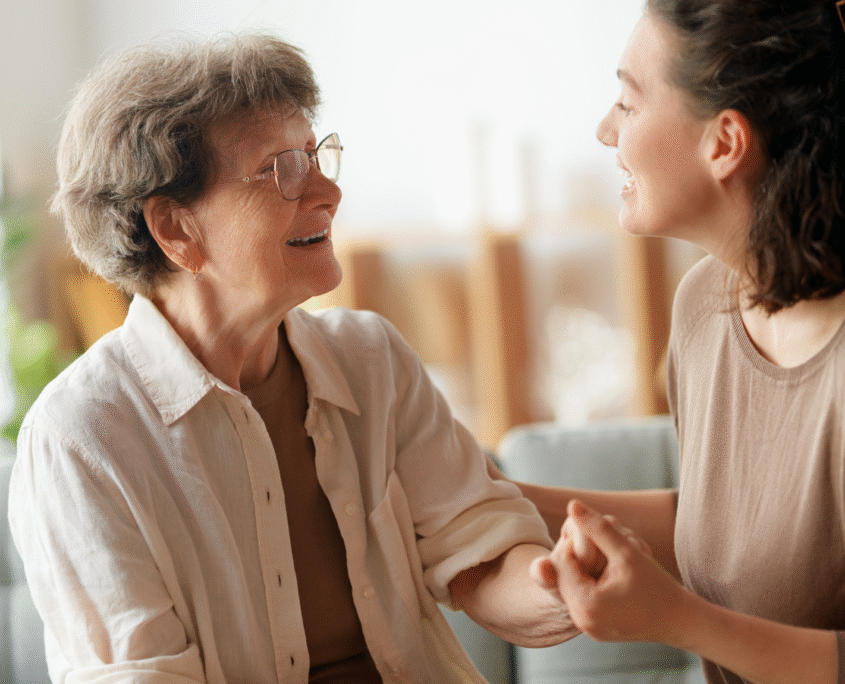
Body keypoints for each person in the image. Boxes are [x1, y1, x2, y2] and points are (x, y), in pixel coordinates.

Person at [7, 33, 579, 684]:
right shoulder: (79, 436)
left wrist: (559, 587)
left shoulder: (372, 360)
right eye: (278, 168)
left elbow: (478, 553)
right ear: (174, 230)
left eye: (314, 154)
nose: (327, 192)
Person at [513, 1, 845, 683]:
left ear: (724, 143)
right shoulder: (703, 305)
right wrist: (485, 492)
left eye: (628, 104)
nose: (604, 130)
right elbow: (726, 520)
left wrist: (673, 618)